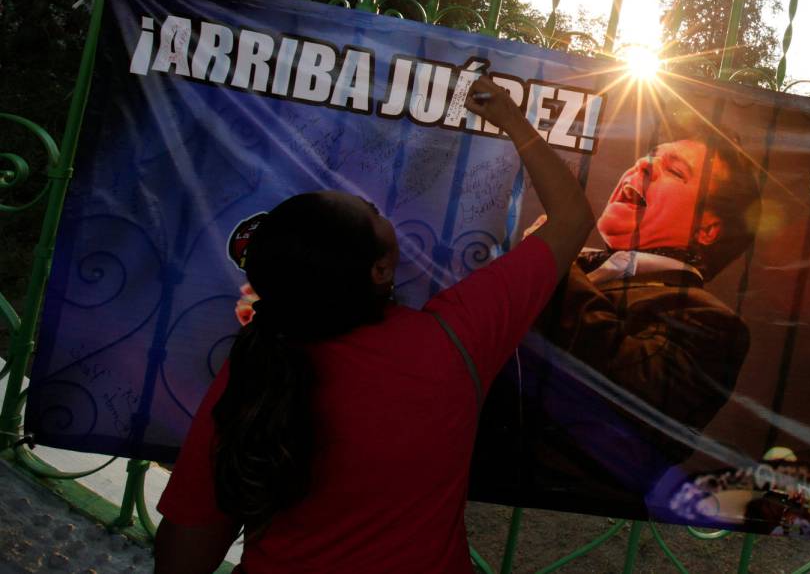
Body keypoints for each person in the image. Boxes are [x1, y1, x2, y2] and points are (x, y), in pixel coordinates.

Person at [152, 76, 594, 574]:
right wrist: (512, 120)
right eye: (372, 211)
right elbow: (572, 216)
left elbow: (185, 552)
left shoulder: (254, 371)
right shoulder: (453, 340)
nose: (374, 203)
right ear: (380, 270)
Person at [471, 127, 763, 519]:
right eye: (649, 157)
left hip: (559, 523)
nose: (642, 166)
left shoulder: (713, 325)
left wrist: (555, 260)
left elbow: (614, 390)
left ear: (706, 229)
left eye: (674, 171)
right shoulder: (573, 267)